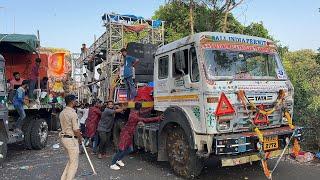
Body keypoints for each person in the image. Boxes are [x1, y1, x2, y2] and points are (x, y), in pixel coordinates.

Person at [110, 102, 163, 170]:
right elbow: (145, 120)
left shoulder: (135, 111)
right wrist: (158, 117)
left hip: (129, 134)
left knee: (130, 149)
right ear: (140, 107)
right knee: (121, 149)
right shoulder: (134, 116)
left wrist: (151, 108)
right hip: (125, 134)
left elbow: (143, 112)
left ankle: (119, 159)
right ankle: (113, 164)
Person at [59, 94, 83, 180]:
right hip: (71, 140)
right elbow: (76, 130)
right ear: (72, 102)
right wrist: (80, 139)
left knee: (71, 161)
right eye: (75, 100)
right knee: (74, 164)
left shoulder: (62, 112)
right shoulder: (73, 113)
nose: (76, 101)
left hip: (64, 138)